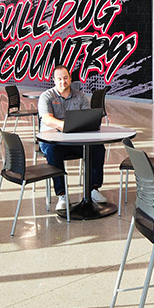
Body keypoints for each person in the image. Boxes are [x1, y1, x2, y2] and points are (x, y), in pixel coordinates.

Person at [37, 64, 106, 211]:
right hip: (52, 142)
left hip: (75, 140)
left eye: (66, 78)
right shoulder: (46, 97)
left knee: (97, 148)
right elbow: (48, 120)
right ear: (54, 80)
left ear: (70, 78)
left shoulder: (80, 97)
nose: (63, 81)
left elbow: (87, 119)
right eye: (59, 79)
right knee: (53, 152)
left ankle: (93, 189)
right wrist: (66, 126)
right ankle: (62, 194)